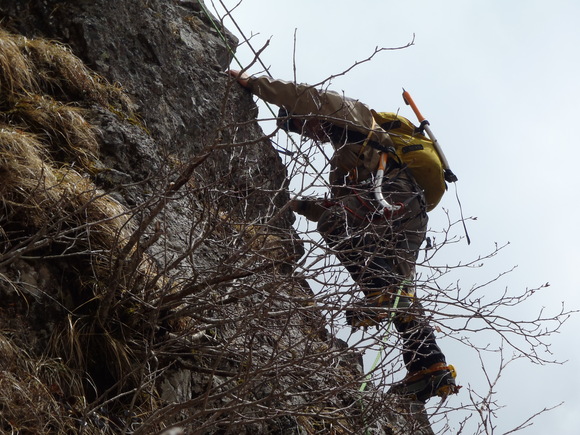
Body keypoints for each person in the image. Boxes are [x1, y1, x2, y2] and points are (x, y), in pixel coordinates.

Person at [228, 70, 459, 402]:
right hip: (407, 213)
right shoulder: (344, 161)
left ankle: (378, 293)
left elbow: (307, 96)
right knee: (402, 292)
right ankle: (430, 368)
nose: (309, 133)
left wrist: (255, 84)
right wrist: (297, 205)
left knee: (349, 238)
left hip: (394, 196)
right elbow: (336, 208)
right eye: (300, 131)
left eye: (301, 125)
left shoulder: (356, 117)